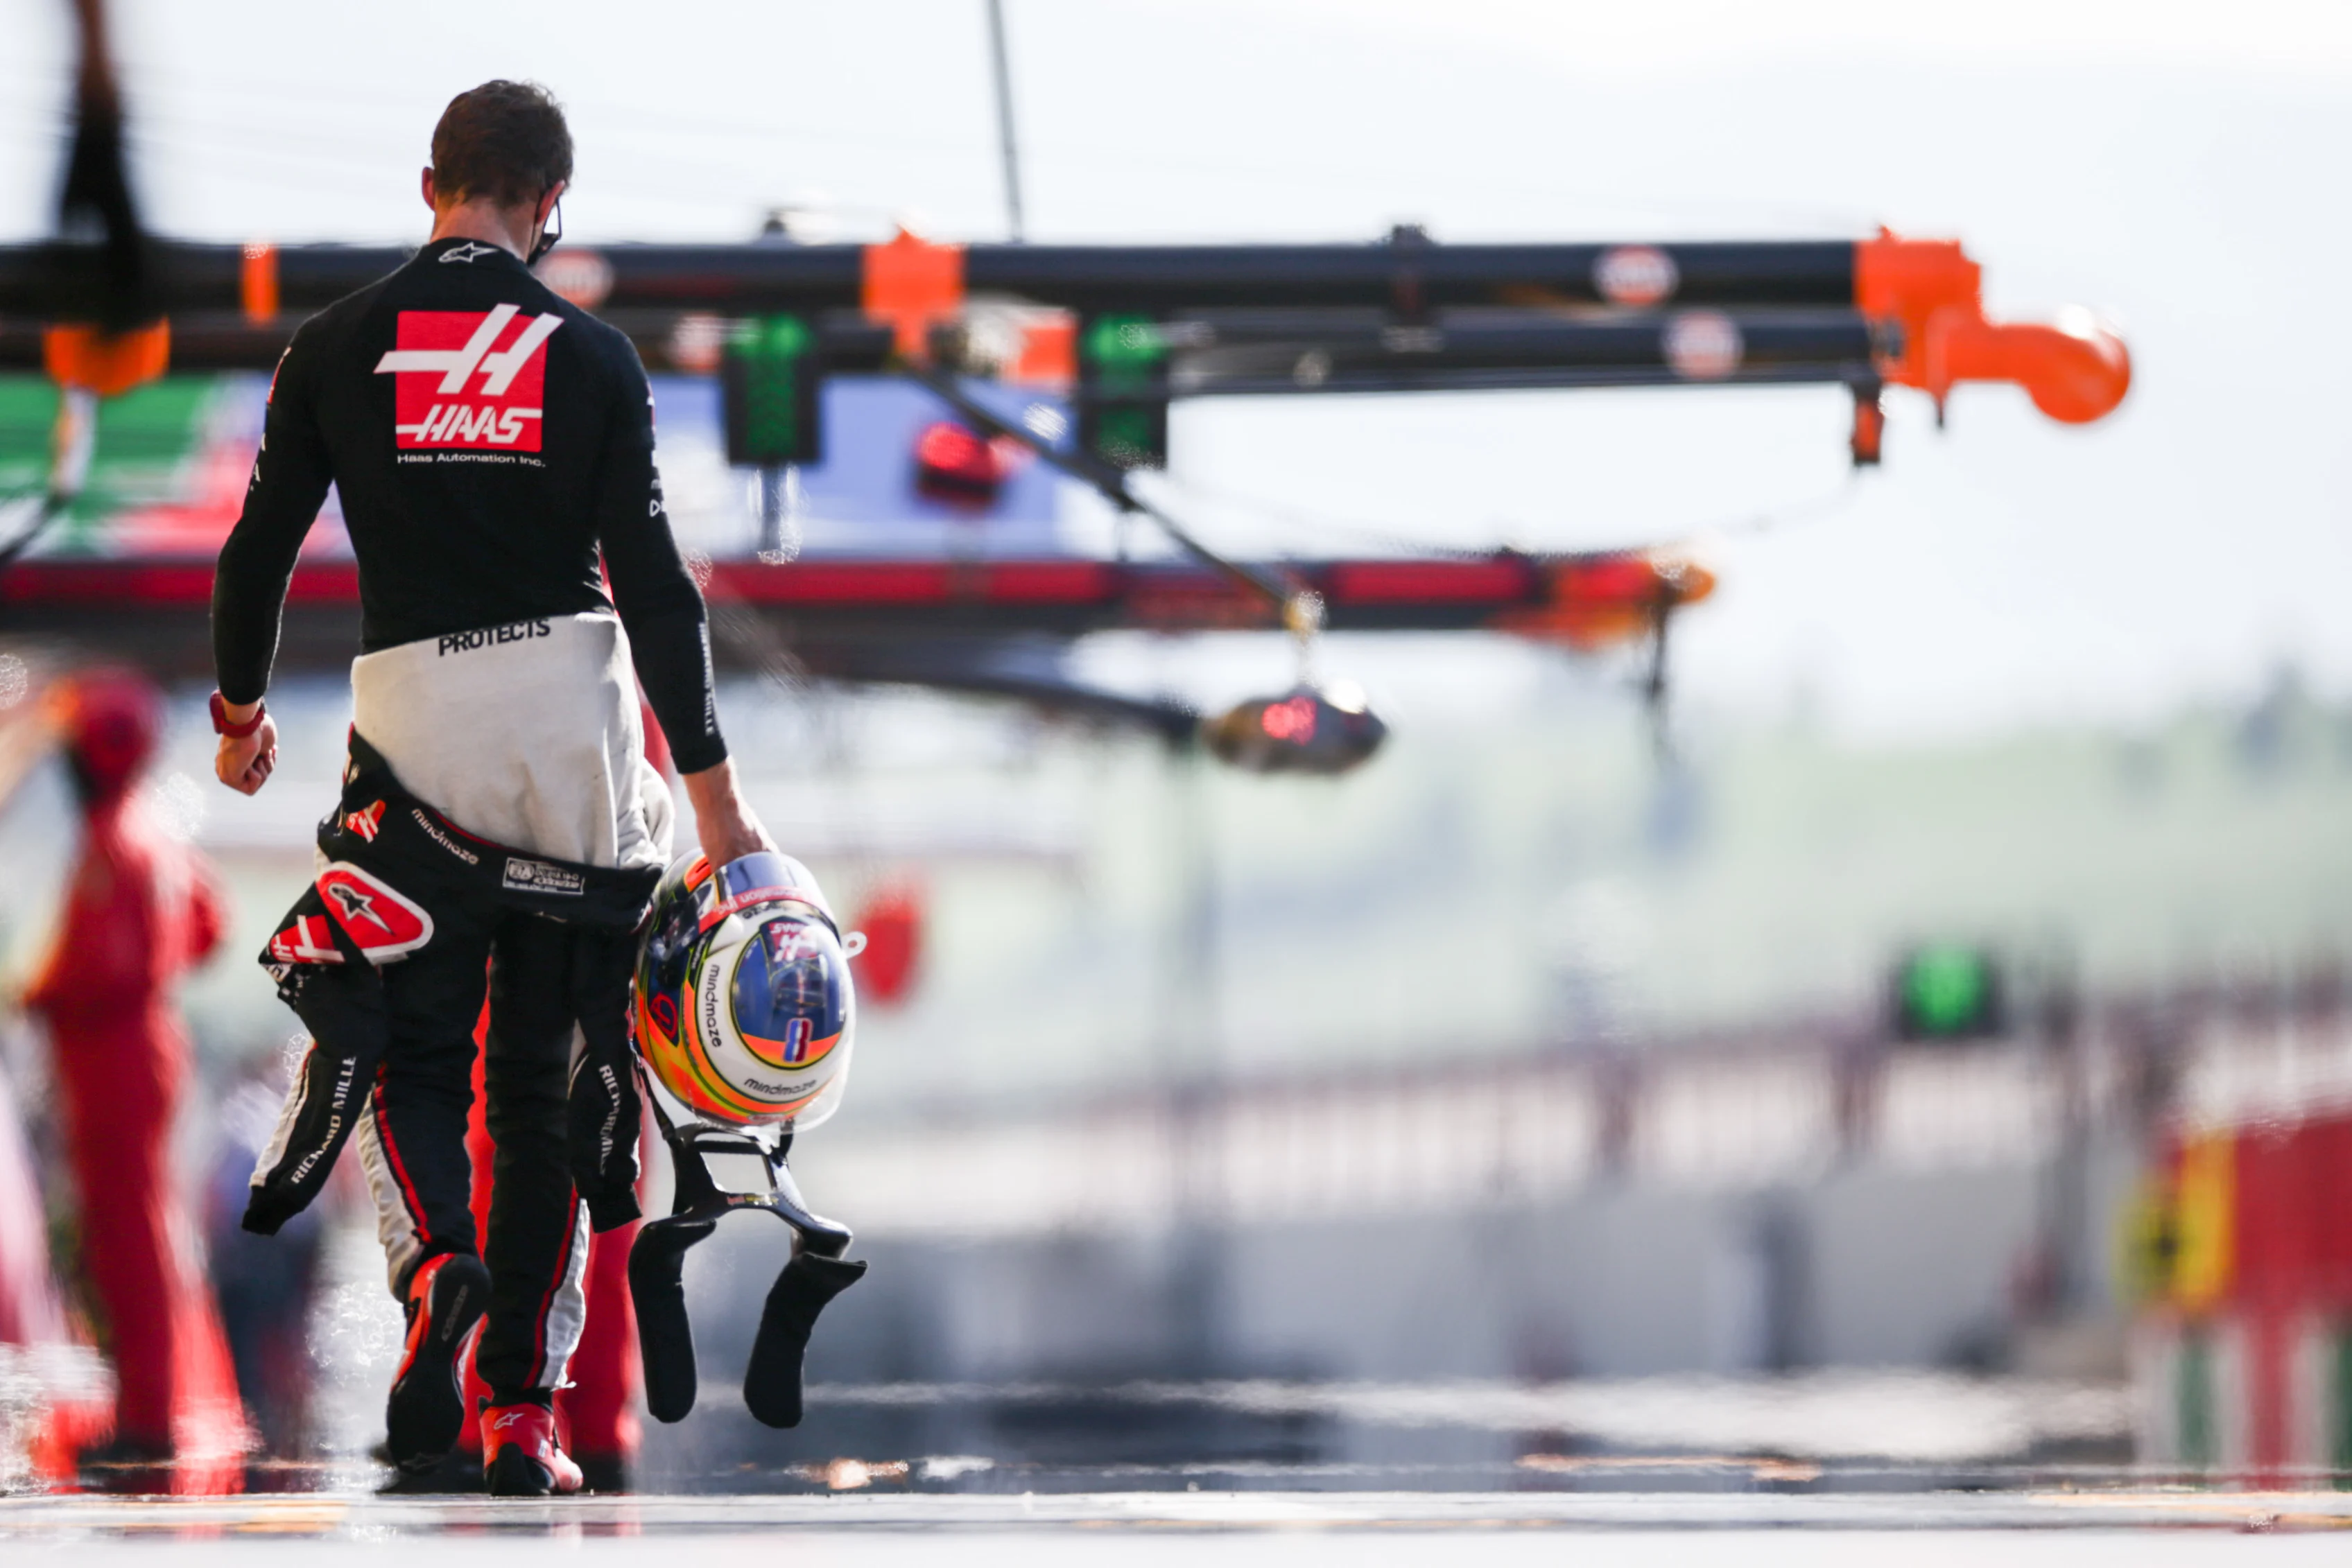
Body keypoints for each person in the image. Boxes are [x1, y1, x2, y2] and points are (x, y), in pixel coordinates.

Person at [209, 80, 771, 1495]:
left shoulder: (333, 346)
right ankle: (524, 1411)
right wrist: (711, 800)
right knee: (549, 1085)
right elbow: (656, 588)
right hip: (571, 728)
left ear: (429, 185)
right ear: (551, 207)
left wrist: (236, 713)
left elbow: (257, 551)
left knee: (409, 1041)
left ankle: (436, 1277)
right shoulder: (589, 358)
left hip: (417, 722)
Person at [25, 669, 248, 1489]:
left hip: (110, 1053)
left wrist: (37, 992)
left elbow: (84, 968)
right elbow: (209, 924)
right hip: (145, 1046)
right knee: (142, 1236)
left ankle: (149, 1420)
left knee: (131, 1243)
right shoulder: (153, 829)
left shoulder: (99, 840)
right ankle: (148, 1409)